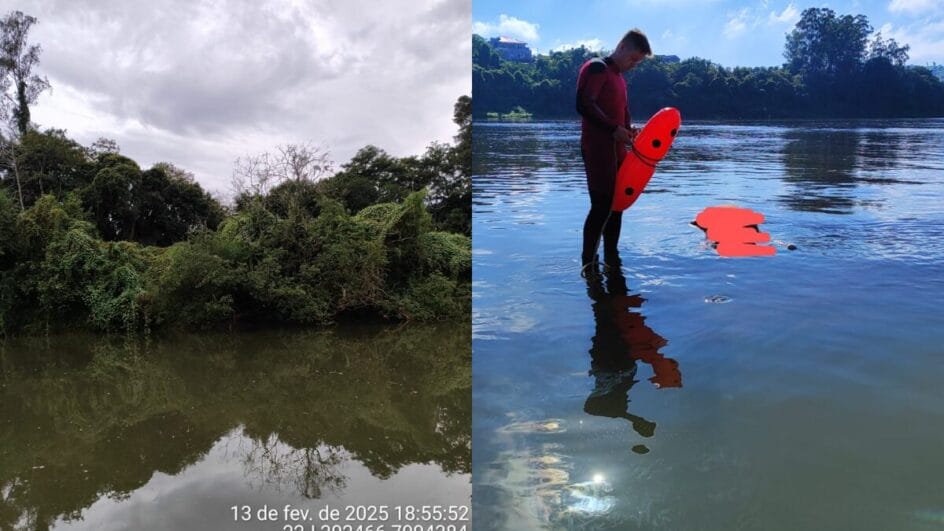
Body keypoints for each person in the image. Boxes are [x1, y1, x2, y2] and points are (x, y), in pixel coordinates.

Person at [576, 28, 652, 275]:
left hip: (618, 150)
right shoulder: (597, 68)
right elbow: (584, 104)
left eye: (638, 62)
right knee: (601, 206)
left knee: (618, 205)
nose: (634, 65)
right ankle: (588, 264)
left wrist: (629, 130)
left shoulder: (619, 78)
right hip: (598, 150)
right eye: (633, 59)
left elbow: (622, 111)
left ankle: (611, 258)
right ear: (621, 46)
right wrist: (612, 130)